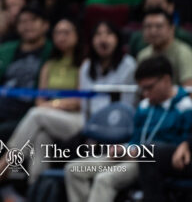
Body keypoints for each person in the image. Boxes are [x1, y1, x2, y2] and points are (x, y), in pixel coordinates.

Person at [0, 18, 84, 187]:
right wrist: (51, 106)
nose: (61, 37)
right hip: (50, 118)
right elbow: (40, 99)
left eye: (66, 32)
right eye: (57, 33)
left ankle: (3, 166)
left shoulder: (84, 64)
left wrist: (51, 105)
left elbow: (79, 102)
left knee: (35, 114)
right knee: (41, 137)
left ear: (77, 35)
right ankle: (35, 189)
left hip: (76, 118)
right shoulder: (49, 65)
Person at [65, 55, 192, 202]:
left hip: (149, 162)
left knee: (104, 180)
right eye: (142, 89)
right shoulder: (144, 105)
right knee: (73, 170)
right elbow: (136, 139)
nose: (145, 94)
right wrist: (123, 148)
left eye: (149, 87)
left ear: (166, 80)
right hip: (131, 155)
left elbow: (180, 148)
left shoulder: (185, 106)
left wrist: (139, 152)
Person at [136, 8, 192, 87]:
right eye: (148, 26)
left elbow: (189, 89)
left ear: (172, 28)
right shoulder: (143, 55)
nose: (153, 31)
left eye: (159, 26)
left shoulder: (184, 53)